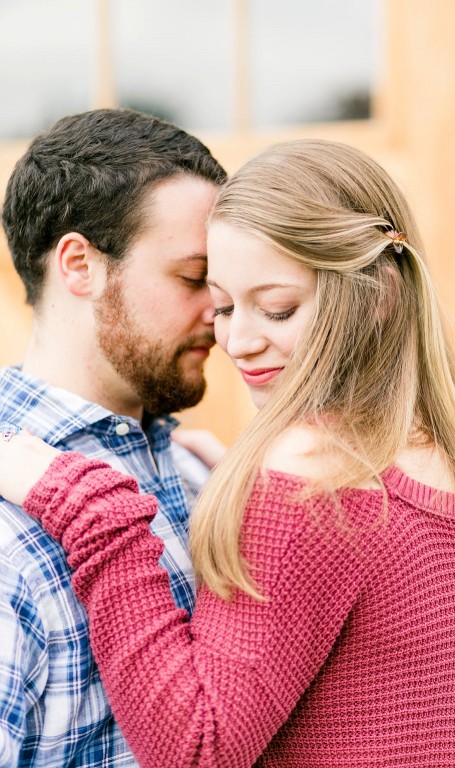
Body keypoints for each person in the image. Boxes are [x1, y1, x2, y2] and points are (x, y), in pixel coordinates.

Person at [0, 139, 455, 767]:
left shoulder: (307, 477)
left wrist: (97, 516)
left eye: (277, 308)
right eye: (217, 301)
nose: (234, 340)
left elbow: (198, 749)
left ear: (377, 295)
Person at [0, 108, 226, 766]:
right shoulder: (10, 532)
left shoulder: (197, 469)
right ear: (80, 265)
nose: (223, 305)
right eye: (192, 277)